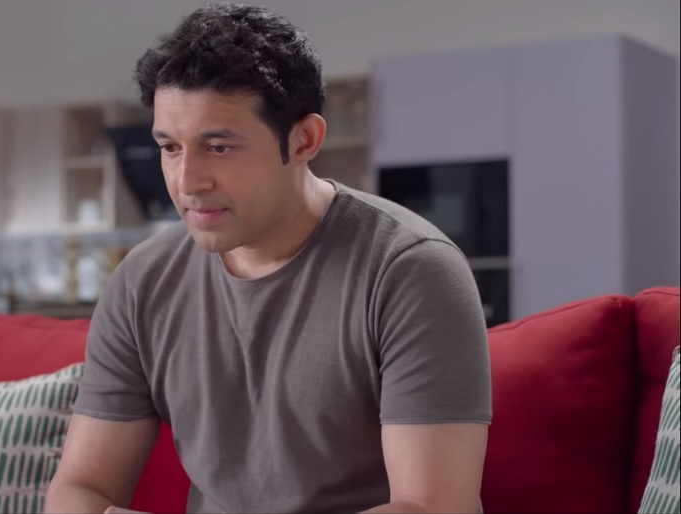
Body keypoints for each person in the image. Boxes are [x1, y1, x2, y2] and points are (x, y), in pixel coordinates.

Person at [45, 3, 491, 513]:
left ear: (304, 141)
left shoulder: (411, 270)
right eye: (169, 148)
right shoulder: (141, 282)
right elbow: (81, 488)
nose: (187, 182)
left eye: (218, 147)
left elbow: (432, 506)